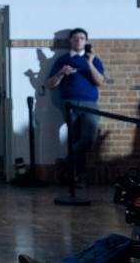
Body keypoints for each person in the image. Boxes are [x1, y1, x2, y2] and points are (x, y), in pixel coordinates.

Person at [45, 28, 106, 185]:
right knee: (75, 139)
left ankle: (65, 162)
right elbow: (50, 85)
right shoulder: (61, 60)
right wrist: (61, 73)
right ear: (70, 41)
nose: (78, 40)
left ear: (86, 42)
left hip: (89, 104)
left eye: (82, 38)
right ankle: (76, 177)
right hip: (68, 104)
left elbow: (100, 82)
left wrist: (90, 63)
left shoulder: (94, 60)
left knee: (88, 138)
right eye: (75, 38)